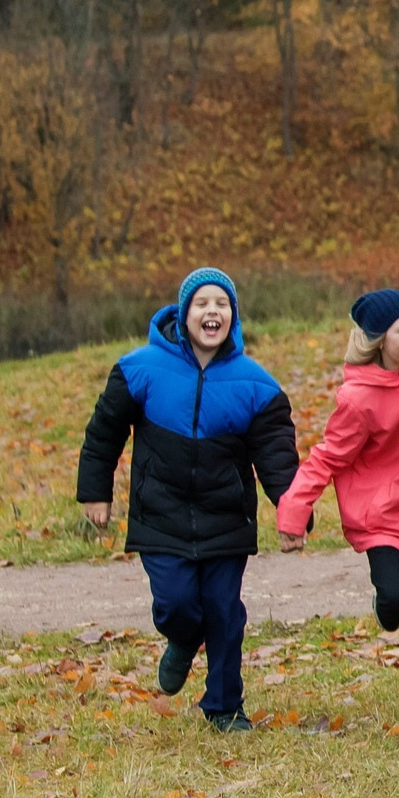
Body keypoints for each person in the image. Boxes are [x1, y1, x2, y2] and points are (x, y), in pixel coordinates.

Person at [78, 267, 300, 732]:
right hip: (160, 514)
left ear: (232, 316)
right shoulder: (139, 369)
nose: (212, 311)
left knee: (223, 610)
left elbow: (276, 454)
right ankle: (181, 640)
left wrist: (291, 508)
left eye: (222, 303)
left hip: (226, 519)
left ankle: (224, 707)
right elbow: (103, 433)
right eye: (202, 303)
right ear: (183, 314)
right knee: (179, 604)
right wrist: (95, 492)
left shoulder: (255, 384)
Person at [274, 289, 399, 716]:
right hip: (383, 512)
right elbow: (327, 456)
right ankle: (388, 605)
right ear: (379, 340)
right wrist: (293, 511)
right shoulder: (358, 400)